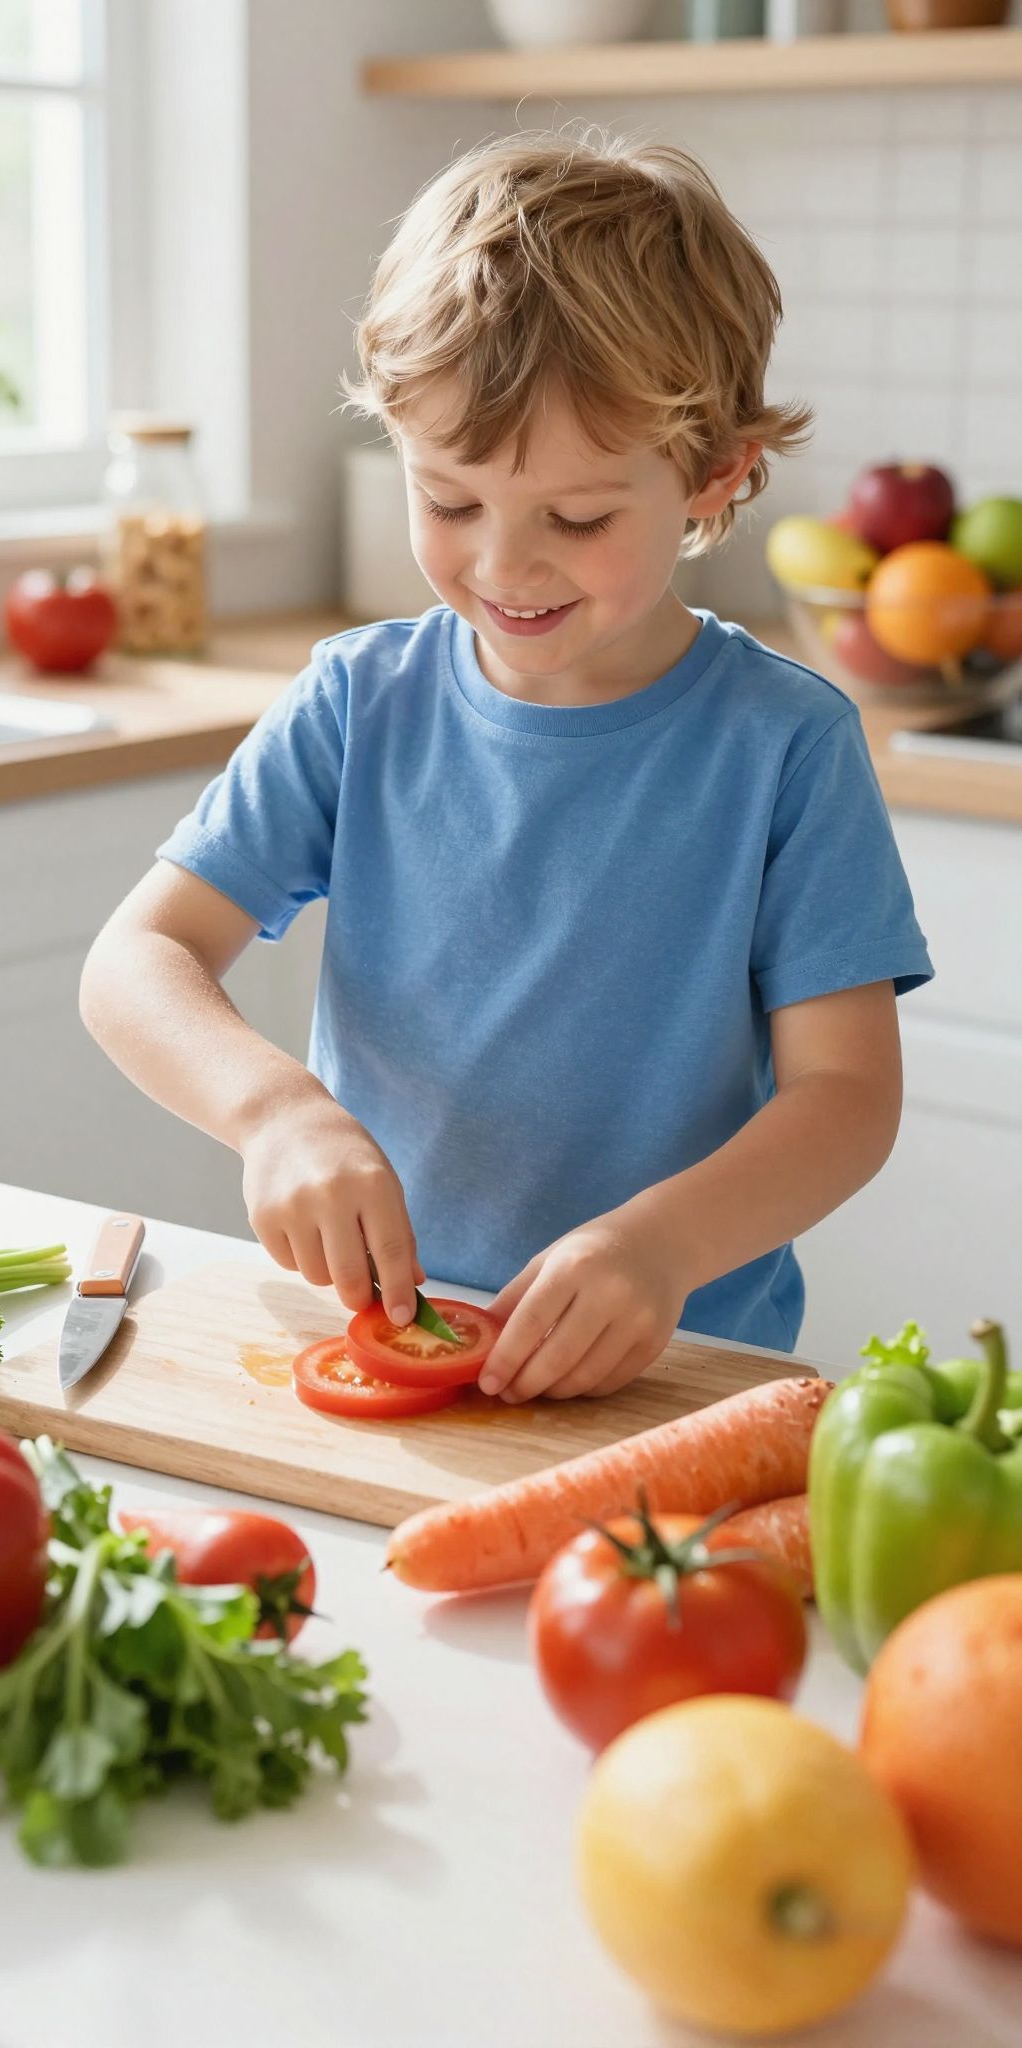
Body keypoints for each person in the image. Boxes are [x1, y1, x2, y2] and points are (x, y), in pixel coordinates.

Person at [79, 128, 933, 1405]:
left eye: (578, 518)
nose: (503, 566)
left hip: (677, 1364)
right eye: (449, 499)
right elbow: (135, 962)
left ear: (713, 477)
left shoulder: (786, 745)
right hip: (387, 1335)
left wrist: (664, 1243)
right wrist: (276, 1113)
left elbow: (848, 1096)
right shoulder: (361, 698)